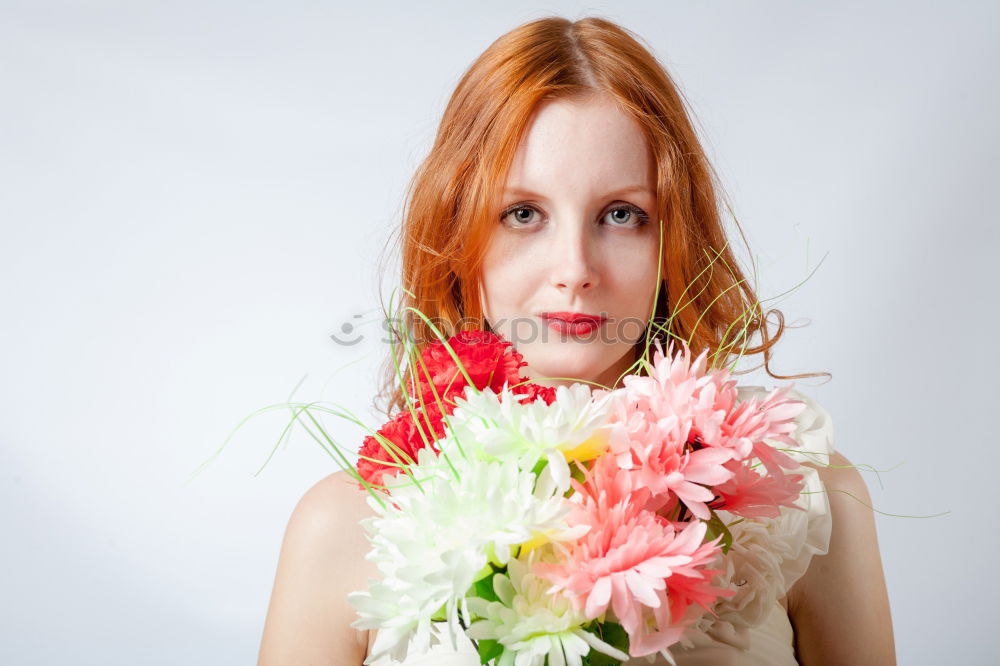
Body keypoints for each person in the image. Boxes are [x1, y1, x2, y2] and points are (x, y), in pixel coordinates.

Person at [257, 15, 895, 665]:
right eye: (523, 214)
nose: (574, 271)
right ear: (458, 238)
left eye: (621, 215)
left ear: (674, 239)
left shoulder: (807, 506)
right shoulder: (342, 526)